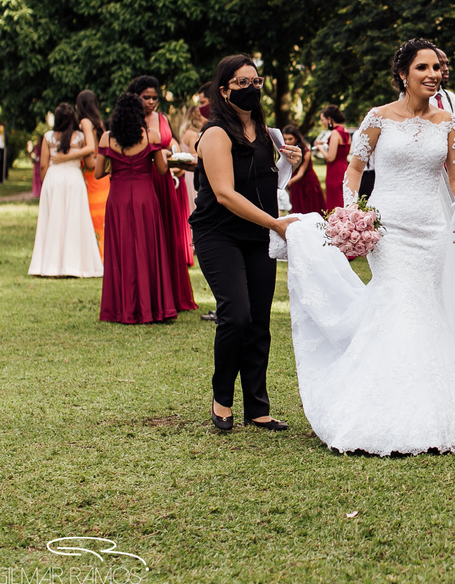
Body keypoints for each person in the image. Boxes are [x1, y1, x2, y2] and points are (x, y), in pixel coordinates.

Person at [281, 38, 455, 455]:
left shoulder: (448, 124)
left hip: (434, 229)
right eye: (423, 68)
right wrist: (354, 215)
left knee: (428, 307)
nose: (433, 75)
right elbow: (353, 170)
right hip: (389, 227)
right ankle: (379, 408)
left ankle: (440, 407)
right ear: (403, 74)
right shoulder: (378, 118)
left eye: (437, 68)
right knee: (400, 302)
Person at [191, 55, 300, 432]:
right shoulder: (216, 133)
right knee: (235, 314)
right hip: (218, 233)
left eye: (257, 82)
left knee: (258, 321)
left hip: (258, 235)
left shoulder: (268, 134)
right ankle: (222, 397)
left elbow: (268, 184)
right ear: (224, 91)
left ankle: (257, 405)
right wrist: (276, 224)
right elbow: (223, 193)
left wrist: (292, 163)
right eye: (242, 83)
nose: (252, 88)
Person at [96, 93, 177, 323]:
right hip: (145, 197)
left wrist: (116, 164)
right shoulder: (151, 135)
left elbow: (98, 173)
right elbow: (162, 170)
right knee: (147, 248)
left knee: (121, 250)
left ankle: (122, 308)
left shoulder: (107, 138)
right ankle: (151, 308)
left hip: (118, 197)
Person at [127, 77, 197, 309]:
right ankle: (149, 296)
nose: (151, 102)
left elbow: (169, 146)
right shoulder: (128, 120)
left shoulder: (162, 119)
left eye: (155, 98)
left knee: (170, 237)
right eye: (146, 97)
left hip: (165, 180)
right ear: (135, 97)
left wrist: (175, 158)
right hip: (142, 182)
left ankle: (173, 296)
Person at [28, 103, 102, 278]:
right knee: (75, 220)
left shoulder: (48, 137)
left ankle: (49, 265)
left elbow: (43, 165)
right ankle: (75, 264)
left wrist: (47, 183)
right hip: (74, 179)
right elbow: (90, 161)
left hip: (54, 178)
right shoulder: (81, 137)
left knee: (53, 221)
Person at [76, 90, 110, 258]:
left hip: (92, 177)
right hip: (102, 175)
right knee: (102, 217)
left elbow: (90, 159)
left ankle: (97, 256)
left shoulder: (85, 122)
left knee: (94, 217)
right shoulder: (99, 122)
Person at [282, 124, 326, 215]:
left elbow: (301, 173)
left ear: (297, 138)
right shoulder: (285, 151)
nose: (287, 142)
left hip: (307, 183)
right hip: (294, 182)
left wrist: (287, 183)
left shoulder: (305, 151)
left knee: (310, 209)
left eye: (290, 139)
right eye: (285, 139)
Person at [316, 105, 351, 210]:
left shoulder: (335, 133)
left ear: (329, 119)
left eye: (323, 120)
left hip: (334, 171)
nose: (322, 123)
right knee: (343, 198)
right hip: (344, 167)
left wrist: (319, 147)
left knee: (335, 201)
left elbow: (330, 157)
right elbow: (342, 148)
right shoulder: (345, 131)